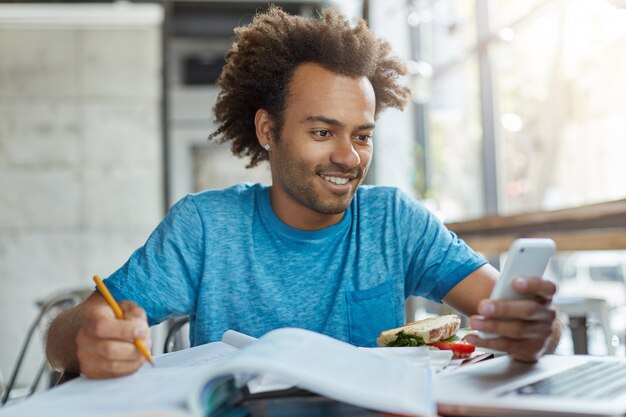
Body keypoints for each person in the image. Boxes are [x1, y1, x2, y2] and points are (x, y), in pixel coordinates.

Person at [46, 6, 559, 380]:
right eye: (322, 132)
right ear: (268, 131)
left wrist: (537, 329)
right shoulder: (205, 227)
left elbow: (507, 310)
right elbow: (62, 340)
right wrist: (86, 340)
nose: (349, 156)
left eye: (362, 135)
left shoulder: (394, 221)